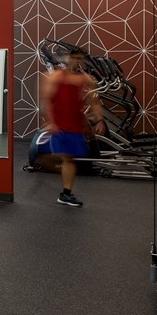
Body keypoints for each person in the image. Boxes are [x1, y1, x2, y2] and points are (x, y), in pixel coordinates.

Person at [40, 49, 105, 207]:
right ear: (68, 59)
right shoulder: (55, 76)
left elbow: (94, 101)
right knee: (68, 158)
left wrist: (100, 120)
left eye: (80, 59)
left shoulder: (86, 79)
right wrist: (51, 122)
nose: (77, 61)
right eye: (74, 58)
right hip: (60, 124)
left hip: (75, 124)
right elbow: (46, 100)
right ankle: (65, 193)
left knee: (70, 158)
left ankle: (65, 192)